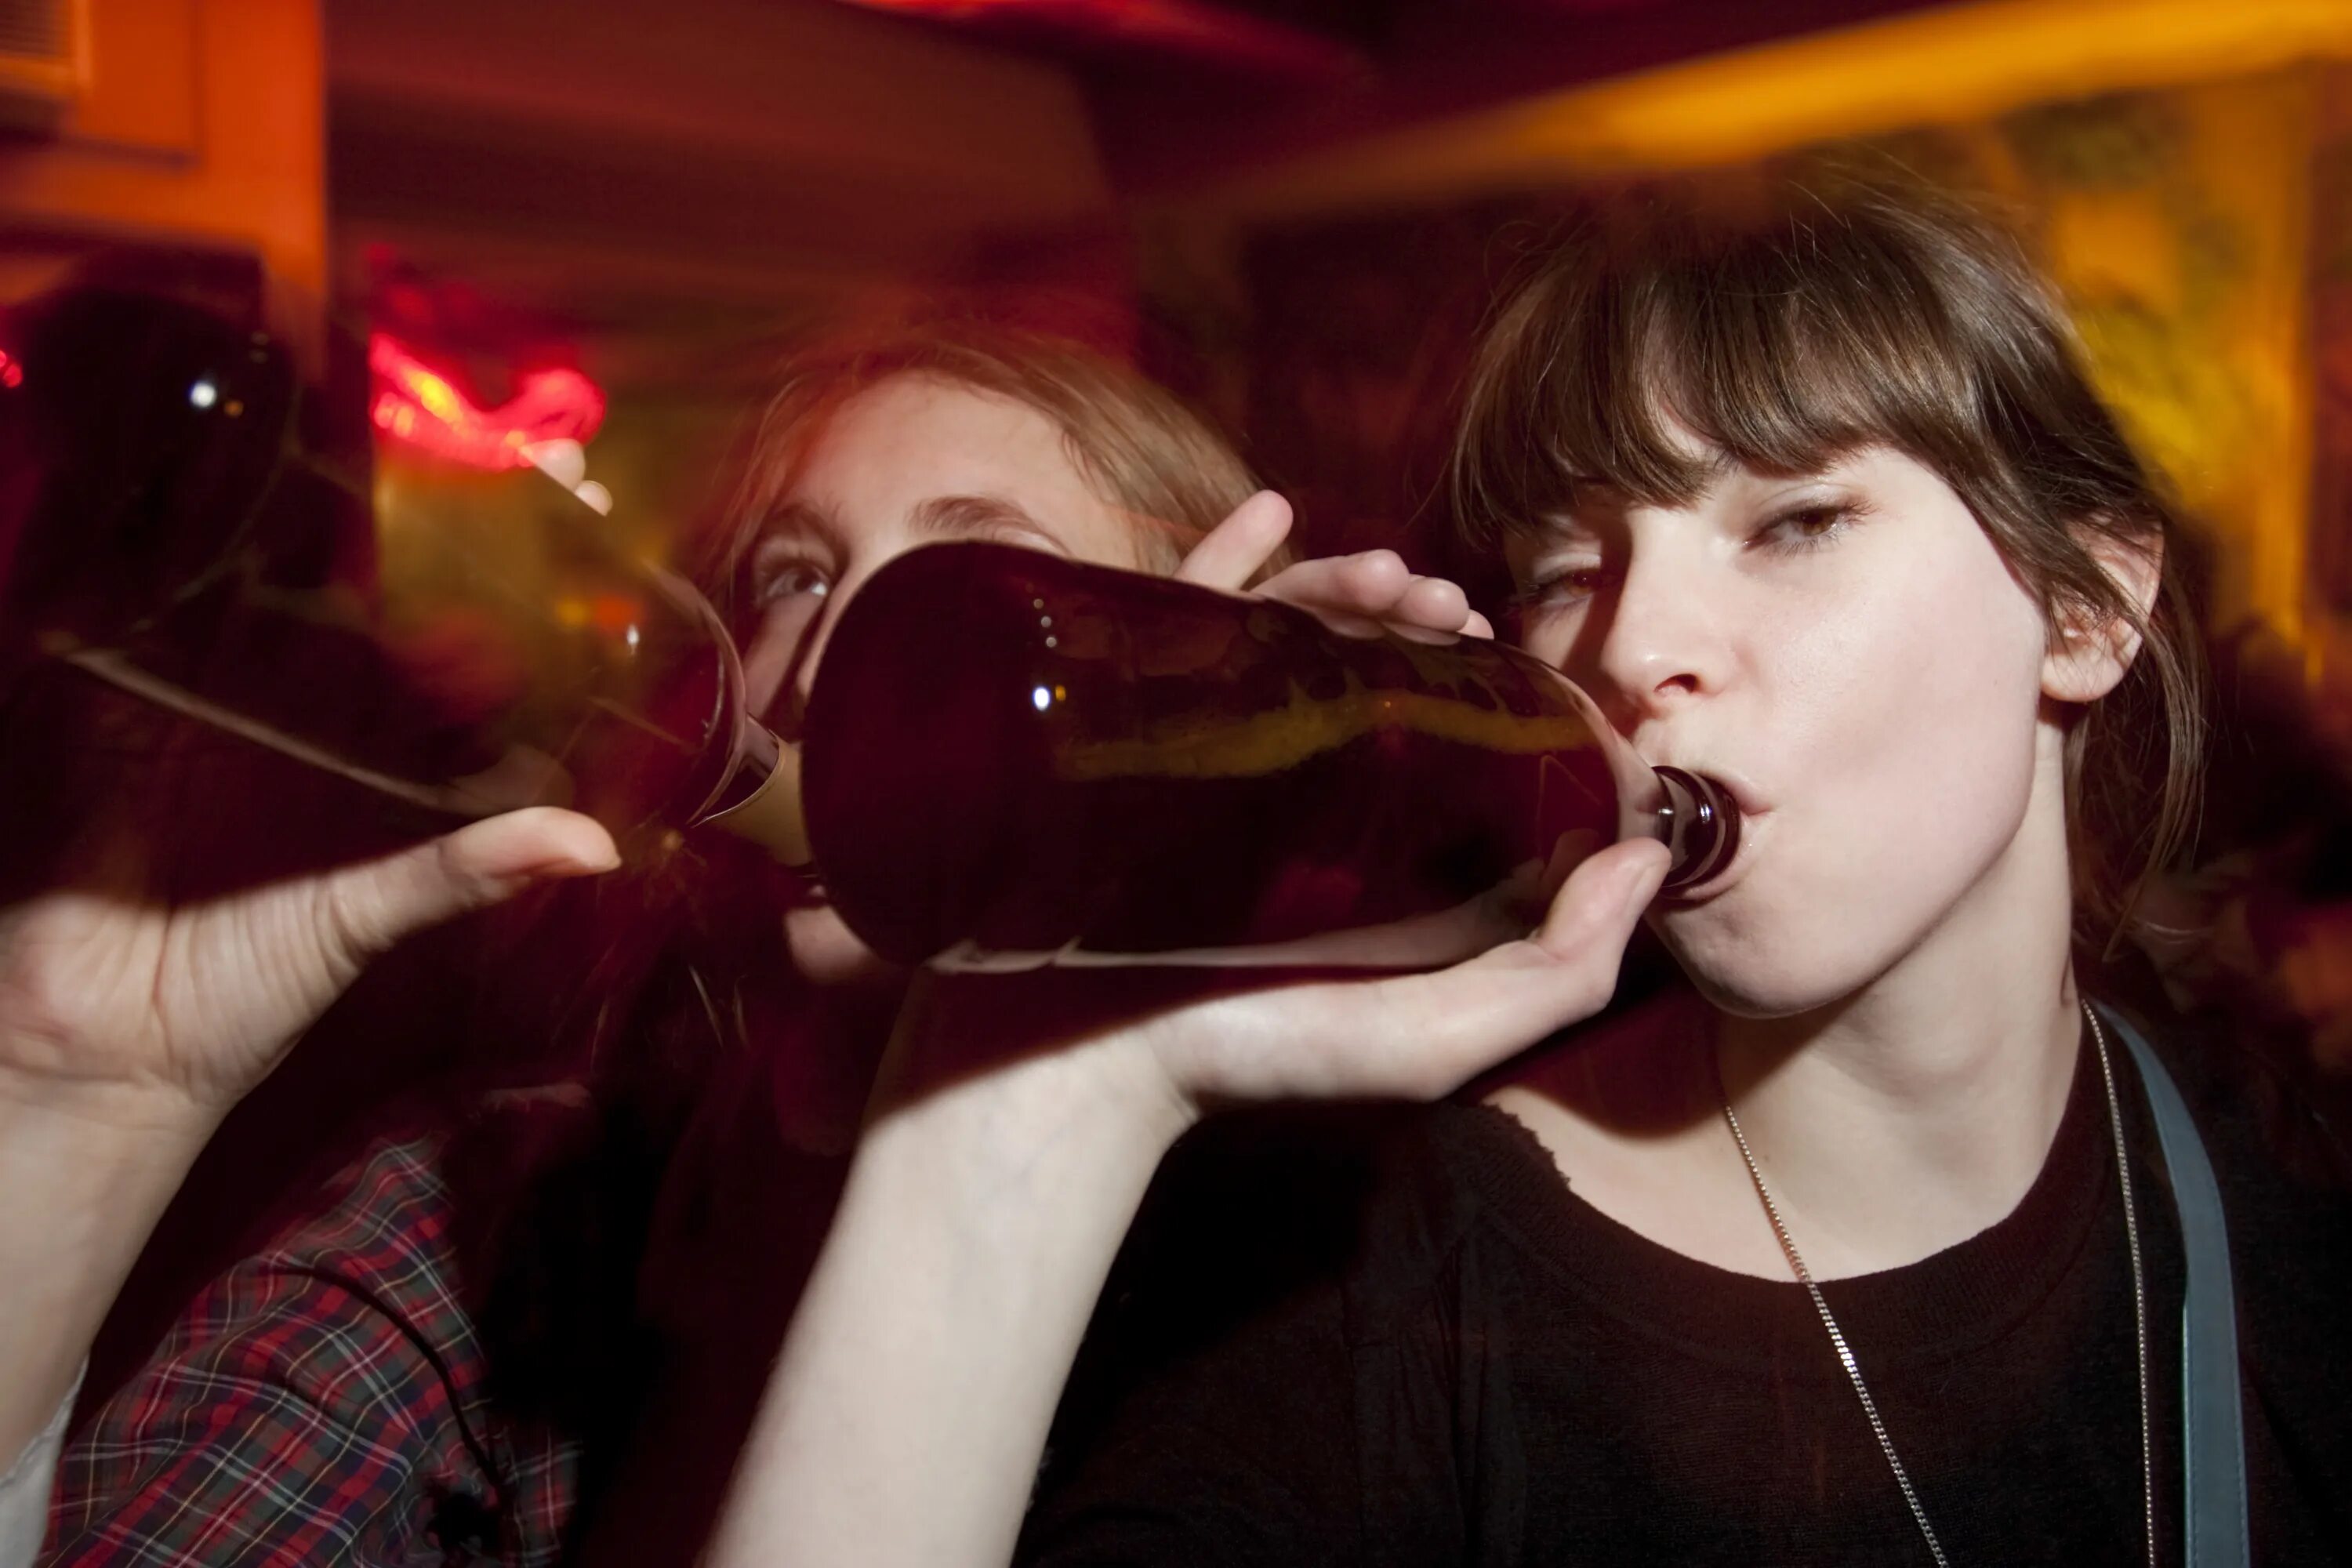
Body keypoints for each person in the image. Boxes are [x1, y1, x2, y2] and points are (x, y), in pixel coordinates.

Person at [708, 180, 2352, 1566]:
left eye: (1791, 521)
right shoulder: (1374, 1311)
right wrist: (1037, 1096)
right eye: (1571, 564)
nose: (1634, 644)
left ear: (2083, 610)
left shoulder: (2275, 1160)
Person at [0, 318, 1480, 1566]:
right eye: (793, 575)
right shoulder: (486, 1211)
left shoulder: (1344, 1309)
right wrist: (79, 1096)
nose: (837, 662)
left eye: (972, 586)